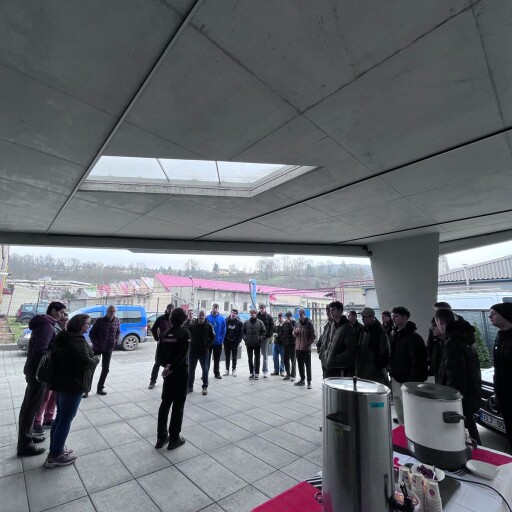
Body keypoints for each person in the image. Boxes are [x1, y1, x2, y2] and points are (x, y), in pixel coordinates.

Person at [45, 314, 99, 467]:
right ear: (79, 325)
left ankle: (55, 448)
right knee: (66, 419)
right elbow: (85, 362)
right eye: (87, 323)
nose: (89, 326)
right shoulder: (77, 341)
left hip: (60, 382)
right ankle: (55, 456)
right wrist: (96, 359)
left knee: (60, 416)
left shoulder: (63, 337)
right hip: (72, 385)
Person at [17, 301, 67, 457]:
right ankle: (25, 445)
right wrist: (54, 352)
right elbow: (41, 350)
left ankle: (28, 436)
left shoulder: (44, 323)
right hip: (38, 373)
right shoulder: (47, 326)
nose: (62, 315)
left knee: (28, 406)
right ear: (53, 311)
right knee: (31, 408)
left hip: (33, 370)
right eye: (61, 312)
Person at [434, 308, 482, 444]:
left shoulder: (452, 343)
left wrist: (451, 400)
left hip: (459, 400)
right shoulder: (464, 338)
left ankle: (475, 454)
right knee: (469, 427)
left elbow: (455, 376)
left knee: (465, 433)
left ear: (440, 322)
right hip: (470, 394)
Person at [155, 308, 190, 450]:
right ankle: (174, 438)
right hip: (180, 374)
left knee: (165, 404)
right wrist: (172, 367)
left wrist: (166, 366)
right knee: (178, 406)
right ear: (183, 319)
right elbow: (183, 354)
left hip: (168, 375)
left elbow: (158, 355)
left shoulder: (164, 334)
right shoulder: (185, 334)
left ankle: (161, 437)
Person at [389, 306, 428, 425]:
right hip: (396, 377)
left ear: (405, 317)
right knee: (399, 406)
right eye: (392, 316)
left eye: (396, 316)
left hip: (407, 380)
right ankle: (402, 428)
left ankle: (411, 431)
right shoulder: (395, 334)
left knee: (409, 409)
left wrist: (412, 381)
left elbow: (418, 361)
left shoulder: (414, 337)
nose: (393, 319)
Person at [33, 311, 68, 435]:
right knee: (45, 397)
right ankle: (37, 422)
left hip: (59, 370)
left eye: (66, 319)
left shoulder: (65, 332)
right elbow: (45, 349)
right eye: (62, 319)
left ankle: (48, 419)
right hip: (50, 369)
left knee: (54, 396)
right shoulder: (52, 329)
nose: (64, 321)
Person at [489, 303, 512, 453]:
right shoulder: (500, 337)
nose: (490, 316)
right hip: (505, 396)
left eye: (494, 313)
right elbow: (498, 368)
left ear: (505, 315)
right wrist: (497, 392)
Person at [87, 305, 120, 397]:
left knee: (106, 369)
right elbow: (91, 333)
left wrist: (116, 340)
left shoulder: (117, 320)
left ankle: (100, 388)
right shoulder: (100, 320)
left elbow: (118, 332)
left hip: (109, 349)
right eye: (111, 311)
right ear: (107, 311)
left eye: (114, 311)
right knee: (92, 368)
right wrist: (96, 343)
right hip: (98, 348)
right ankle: (86, 389)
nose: (112, 313)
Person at [321, 301, 355, 378]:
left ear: (340, 311)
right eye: (330, 310)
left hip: (340, 367)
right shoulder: (333, 324)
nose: (331, 312)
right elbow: (330, 342)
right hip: (330, 365)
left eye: (333, 310)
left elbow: (350, 350)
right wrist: (326, 354)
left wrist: (336, 358)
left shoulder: (347, 327)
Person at [356, 307, 390, 384]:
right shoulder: (364, 329)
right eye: (362, 317)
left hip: (375, 372)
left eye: (364, 317)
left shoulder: (379, 332)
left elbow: (384, 353)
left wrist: (378, 367)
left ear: (371, 317)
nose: (362, 319)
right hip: (363, 369)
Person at [188, 310, 215, 395]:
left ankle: (205, 387)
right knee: (191, 370)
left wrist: (208, 344)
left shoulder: (209, 325)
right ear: (198, 316)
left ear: (205, 316)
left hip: (204, 352)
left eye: (203, 315)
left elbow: (213, 336)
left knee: (205, 370)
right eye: (200, 315)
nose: (201, 317)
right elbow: (188, 336)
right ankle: (190, 387)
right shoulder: (192, 325)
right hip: (193, 351)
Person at [148, 304, 174, 389]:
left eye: (172, 309)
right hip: (162, 345)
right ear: (166, 309)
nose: (170, 310)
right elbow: (153, 329)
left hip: (171, 345)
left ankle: (167, 382)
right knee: (157, 363)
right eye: (169, 308)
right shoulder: (161, 318)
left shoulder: (174, 319)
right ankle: (152, 381)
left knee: (169, 364)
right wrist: (157, 338)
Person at [293, 309, 316, 388]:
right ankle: (302, 380)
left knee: (308, 366)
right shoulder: (297, 323)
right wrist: (295, 331)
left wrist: (308, 344)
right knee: (300, 365)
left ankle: (309, 382)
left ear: (304, 314)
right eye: (298, 314)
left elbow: (313, 336)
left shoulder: (309, 323)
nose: (299, 316)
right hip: (298, 348)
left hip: (306, 349)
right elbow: (293, 333)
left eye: (300, 314)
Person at [242, 309, 266, 380]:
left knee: (257, 359)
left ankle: (257, 373)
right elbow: (242, 332)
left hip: (257, 344)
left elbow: (264, 332)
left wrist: (260, 338)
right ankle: (251, 373)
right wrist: (245, 338)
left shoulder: (260, 322)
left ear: (256, 314)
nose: (251, 314)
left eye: (253, 313)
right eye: (250, 313)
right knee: (250, 359)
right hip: (249, 343)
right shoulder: (246, 322)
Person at [206, 304, 226, 379]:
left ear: (218, 309)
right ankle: (205, 373)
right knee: (207, 359)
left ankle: (217, 373)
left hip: (218, 343)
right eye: (214, 308)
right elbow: (204, 329)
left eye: (216, 308)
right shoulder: (207, 318)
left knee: (217, 359)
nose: (215, 309)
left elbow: (224, 330)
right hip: (209, 342)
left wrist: (221, 339)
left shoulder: (222, 319)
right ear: (212, 308)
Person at [223, 308, 243, 376]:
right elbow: (223, 330)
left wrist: (238, 341)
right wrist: (223, 340)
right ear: (230, 313)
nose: (233, 314)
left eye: (235, 313)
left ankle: (234, 369)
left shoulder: (239, 323)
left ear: (236, 315)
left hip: (235, 342)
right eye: (232, 312)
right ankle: (227, 370)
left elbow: (241, 333)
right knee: (227, 356)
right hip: (227, 341)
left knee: (234, 356)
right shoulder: (226, 320)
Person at [257, 304, 274, 378]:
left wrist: (268, 335)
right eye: (260, 308)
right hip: (257, 338)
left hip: (265, 338)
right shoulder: (257, 316)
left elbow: (272, 327)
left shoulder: (269, 317)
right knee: (257, 355)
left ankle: (265, 371)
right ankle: (255, 371)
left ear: (265, 308)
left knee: (265, 355)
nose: (261, 309)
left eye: (262, 308)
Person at [317, 305, 332, 378]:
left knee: (329, 377)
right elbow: (323, 336)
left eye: (329, 311)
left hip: (330, 356)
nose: (328, 313)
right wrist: (319, 347)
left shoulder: (336, 324)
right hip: (324, 355)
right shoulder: (327, 323)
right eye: (327, 311)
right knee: (325, 376)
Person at [282, 311, 297, 381]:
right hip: (285, 344)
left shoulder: (294, 322)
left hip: (292, 344)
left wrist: (290, 324)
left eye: (289, 316)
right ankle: (288, 374)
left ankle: (293, 375)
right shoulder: (284, 323)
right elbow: (282, 332)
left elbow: (294, 331)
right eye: (287, 317)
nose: (287, 318)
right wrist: (283, 340)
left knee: (293, 360)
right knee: (285, 359)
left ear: (291, 316)